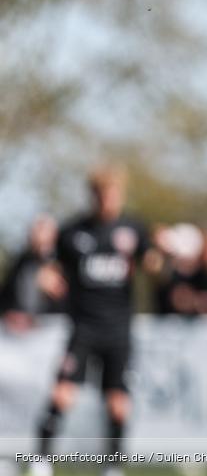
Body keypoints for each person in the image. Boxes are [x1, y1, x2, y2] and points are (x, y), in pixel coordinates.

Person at [32, 166, 152, 476]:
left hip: (118, 330)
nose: (108, 200)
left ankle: (112, 466)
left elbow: (153, 265)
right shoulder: (73, 232)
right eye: (102, 194)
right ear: (93, 195)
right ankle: (42, 460)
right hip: (83, 328)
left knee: (117, 402)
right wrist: (47, 278)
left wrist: (165, 254)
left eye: (113, 193)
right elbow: (50, 268)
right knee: (61, 394)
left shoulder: (133, 230)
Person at [0, 215, 66, 333]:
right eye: (34, 230)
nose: (35, 234)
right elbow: (7, 291)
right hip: (16, 328)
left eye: (41, 230)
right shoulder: (22, 261)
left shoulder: (63, 260)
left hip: (50, 328)